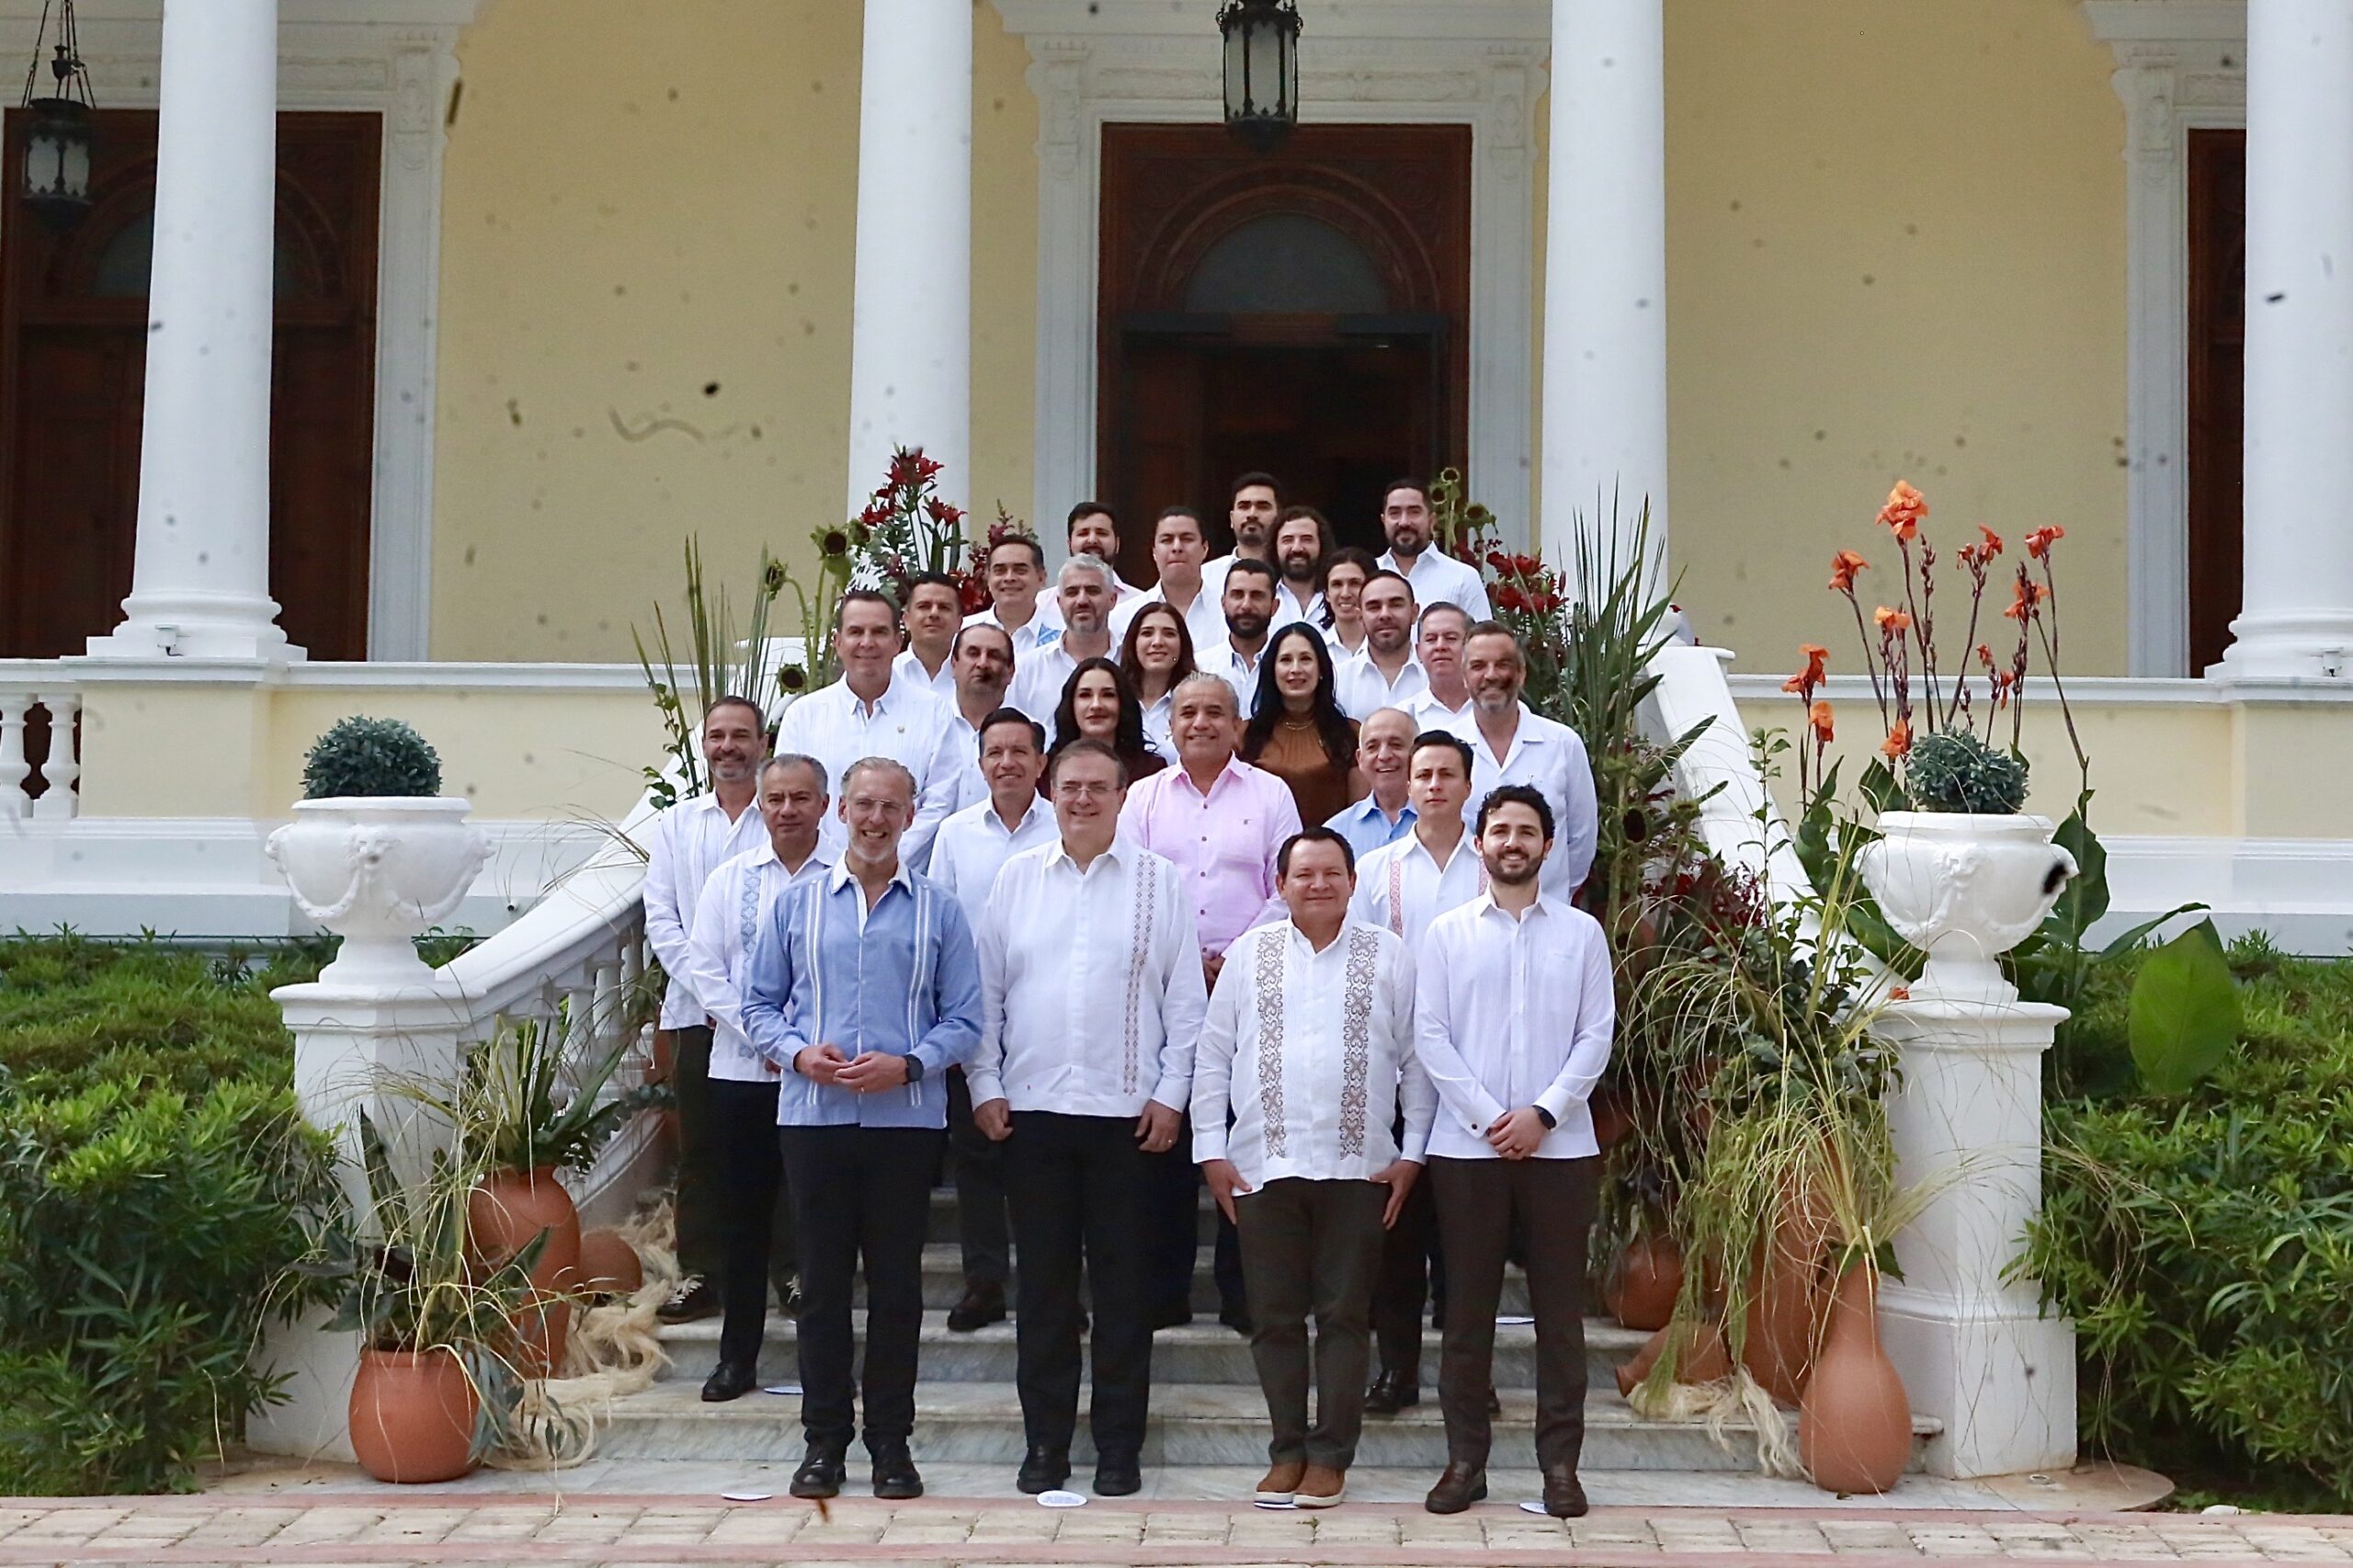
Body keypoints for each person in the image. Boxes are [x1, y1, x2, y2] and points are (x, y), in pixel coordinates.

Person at [740, 757, 983, 1504]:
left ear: (911, 817)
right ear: (839, 810)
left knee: (897, 1290)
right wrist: (797, 1053)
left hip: (904, 1126)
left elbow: (966, 1019)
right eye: (864, 805)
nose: (876, 820)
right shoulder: (795, 905)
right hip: (813, 1123)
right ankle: (823, 1443)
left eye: (891, 807)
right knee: (820, 1288)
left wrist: (909, 1066)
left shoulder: (939, 911)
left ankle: (890, 1443)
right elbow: (757, 1008)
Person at [970, 740, 1207, 1499]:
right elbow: (986, 996)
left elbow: (1185, 1005)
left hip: (1127, 1122)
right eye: (1069, 787)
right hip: (1034, 1116)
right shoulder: (1015, 880)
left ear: (1122, 794)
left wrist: (1172, 1095)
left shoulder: (1159, 883)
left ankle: (1116, 1449)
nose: (1081, 800)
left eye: (1097, 788)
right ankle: (1045, 1445)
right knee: (1042, 1295)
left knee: (1123, 1296)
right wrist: (983, 1084)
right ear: (1050, 787)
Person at [1192, 827, 1429, 1510]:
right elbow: (1213, 1055)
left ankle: (1331, 1455)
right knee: (1273, 1317)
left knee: (1346, 1316)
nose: (1319, 885)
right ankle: (1287, 1449)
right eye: (1305, 875)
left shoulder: (1389, 958)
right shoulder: (1250, 955)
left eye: (1332, 873)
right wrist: (1211, 1148)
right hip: (1264, 1166)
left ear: (1353, 883)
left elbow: (1415, 1063)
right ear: (1281, 885)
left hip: (1360, 1166)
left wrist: (1411, 1154)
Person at [1413, 785, 1613, 1520]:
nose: (1512, 842)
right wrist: (1493, 1118)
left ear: (1547, 846)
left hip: (1561, 1152)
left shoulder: (1581, 935)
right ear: (1480, 843)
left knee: (1561, 1319)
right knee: (1466, 1316)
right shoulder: (1447, 934)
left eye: (1526, 831)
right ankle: (1467, 1461)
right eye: (1500, 830)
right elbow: (1430, 1036)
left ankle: (1560, 1467)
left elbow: (1596, 1036)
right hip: (1466, 1153)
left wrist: (1543, 1113)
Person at [1118, 673, 1302, 1334]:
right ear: (1169, 726)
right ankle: (1163, 1291)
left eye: (1215, 713)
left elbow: (1286, 885)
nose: (1200, 722)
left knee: (1242, 1135)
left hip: (1249, 986)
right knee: (1164, 1142)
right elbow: (1132, 886)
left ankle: (1241, 1292)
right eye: (1188, 712)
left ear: (1238, 726)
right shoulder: (1141, 798)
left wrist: (1231, 957)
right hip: (1163, 985)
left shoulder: (1271, 794)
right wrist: (1186, 958)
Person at [680, 753, 835, 1400]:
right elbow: (704, 970)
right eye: (777, 800)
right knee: (743, 1223)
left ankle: (825, 1366)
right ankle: (736, 1358)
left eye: (801, 798)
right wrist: (766, 1039)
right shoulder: (729, 880)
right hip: (743, 1074)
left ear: (826, 806)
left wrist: (802, 1049)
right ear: (762, 806)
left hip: (825, 1079)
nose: (788, 810)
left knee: (822, 1224)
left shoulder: (848, 879)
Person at [1350, 730, 1484, 1416]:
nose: (1432, 785)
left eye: (1446, 774)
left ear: (1467, 785)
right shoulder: (1378, 871)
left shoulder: (1491, 865)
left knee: (1466, 1239)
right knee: (1394, 1234)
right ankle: (1396, 1369)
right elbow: (1363, 964)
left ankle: (1471, 1376)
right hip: (1396, 1067)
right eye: (1421, 773)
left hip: (1477, 1068)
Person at [926, 710, 1058, 1335]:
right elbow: (942, 927)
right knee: (976, 1159)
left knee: (1042, 1163)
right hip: (971, 1014)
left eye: (1018, 751)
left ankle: (1050, 1284)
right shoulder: (954, 835)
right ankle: (984, 1282)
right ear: (980, 764)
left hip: (1047, 1016)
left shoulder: (1065, 827)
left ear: (1041, 761)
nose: (1006, 762)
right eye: (994, 752)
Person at [643, 696, 771, 1326]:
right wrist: (713, 991)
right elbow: (662, 919)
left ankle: (792, 1271)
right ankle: (701, 1273)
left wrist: (753, 1004)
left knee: (783, 1146)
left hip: (777, 1017)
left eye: (741, 735)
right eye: (718, 736)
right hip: (695, 1015)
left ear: (762, 743)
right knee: (702, 1151)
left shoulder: (785, 817)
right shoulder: (676, 826)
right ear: (705, 746)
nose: (729, 747)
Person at [774, 590, 963, 869]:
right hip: (819, 878)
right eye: (855, 632)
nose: (867, 642)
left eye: (879, 632)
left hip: (905, 881)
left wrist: (884, 860)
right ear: (837, 642)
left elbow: (939, 802)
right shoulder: (803, 715)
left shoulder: (933, 712)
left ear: (898, 641)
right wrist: (836, 866)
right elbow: (790, 798)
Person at [1449, 622, 1599, 899]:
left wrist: (1553, 896)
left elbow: (1582, 840)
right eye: (1479, 666)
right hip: (1467, 922)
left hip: (1548, 915)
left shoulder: (1563, 744)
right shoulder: (1446, 748)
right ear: (1464, 677)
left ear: (1521, 674)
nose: (1491, 675)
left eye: (1503, 664)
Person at [1241, 624, 1364, 828]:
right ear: (1272, 670)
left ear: (1321, 669)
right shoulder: (1245, 736)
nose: (1295, 669)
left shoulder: (1349, 734)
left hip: (1331, 852)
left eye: (1306, 659)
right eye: (1285, 660)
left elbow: (1359, 816)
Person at [1008, 554, 1117, 723]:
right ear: (1059, 602)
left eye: (1092, 591)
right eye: (1072, 592)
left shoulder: (1131, 662)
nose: (1082, 601)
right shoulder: (1028, 668)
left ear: (1113, 599)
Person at [1110, 506, 1225, 653]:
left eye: (1187, 539)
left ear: (1205, 548)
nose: (1177, 547)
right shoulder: (1124, 617)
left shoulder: (1227, 613)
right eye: (1167, 540)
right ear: (1154, 552)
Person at [1376, 478, 1491, 619]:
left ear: (1432, 520)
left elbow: (1481, 639)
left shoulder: (1463, 578)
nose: (1404, 522)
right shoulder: (1369, 573)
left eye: (1414, 512)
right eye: (1395, 513)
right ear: (1384, 521)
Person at [939, 619, 1019, 812]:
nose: (982, 663)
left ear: (1011, 671)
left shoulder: (1035, 734)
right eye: (973, 653)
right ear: (953, 665)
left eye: (993, 655)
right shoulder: (928, 724)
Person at [1051, 657, 1167, 785]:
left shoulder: (1151, 771)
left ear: (1123, 703)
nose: (1096, 705)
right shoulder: (1047, 769)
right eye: (1085, 695)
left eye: (1108, 695)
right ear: (1071, 704)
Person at [1324, 707, 1417, 862]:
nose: (1384, 756)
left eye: (1396, 744)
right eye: (1372, 747)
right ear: (1360, 759)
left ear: (1417, 753)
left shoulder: (1452, 825)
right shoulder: (1336, 832)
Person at [1336, 570, 1427, 720]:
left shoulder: (1435, 677)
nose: (1385, 615)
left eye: (1396, 605)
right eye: (1374, 607)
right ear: (1360, 616)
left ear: (1414, 613)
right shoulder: (1338, 681)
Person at [1193, 556, 1279, 713]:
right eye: (1237, 595)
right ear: (1223, 603)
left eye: (1257, 596)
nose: (1246, 605)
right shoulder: (1200, 667)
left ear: (1274, 606)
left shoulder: (1288, 667)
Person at [1117, 598, 1198, 763]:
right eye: (1147, 633)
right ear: (1133, 643)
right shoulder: (1114, 698)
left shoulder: (1197, 700)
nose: (1157, 642)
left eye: (1169, 634)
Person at [1044, 502, 1146, 623]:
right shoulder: (1042, 604)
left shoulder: (1141, 603)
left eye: (1102, 533)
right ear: (1069, 543)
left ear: (1117, 544)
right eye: (1083, 533)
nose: (1092, 540)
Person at [970, 532, 1062, 665]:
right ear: (987, 578)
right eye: (1000, 570)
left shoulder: (1063, 636)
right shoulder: (963, 631)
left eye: (1020, 570)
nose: (1009, 578)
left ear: (1041, 577)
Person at [1201, 471, 1282, 610]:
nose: (1252, 514)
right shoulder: (1204, 578)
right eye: (1244, 506)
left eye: (1262, 506)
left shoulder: (1293, 578)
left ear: (1280, 517)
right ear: (1232, 519)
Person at [1402, 603, 1475, 732]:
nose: (1440, 646)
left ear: (1472, 647)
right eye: (1431, 639)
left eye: (1451, 638)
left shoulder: (1500, 711)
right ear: (1418, 652)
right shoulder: (1403, 716)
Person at [892, 572, 964, 699]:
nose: (934, 614)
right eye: (924, 606)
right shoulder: (889, 674)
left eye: (944, 607)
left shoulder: (974, 676)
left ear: (959, 623)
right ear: (906, 620)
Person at [1271, 505, 1330, 627]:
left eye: (1307, 539)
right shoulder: (1263, 600)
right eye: (1287, 540)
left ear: (1321, 545)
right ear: (1275, 547)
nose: (1297, 548)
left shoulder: (1338, 600)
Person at [1318, 546, 1377, 656]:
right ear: (1327, 594)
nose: (1345, 594)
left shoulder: (1388, 646)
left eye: (1354, 583)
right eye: (1337, 584)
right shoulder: (1316, 649)